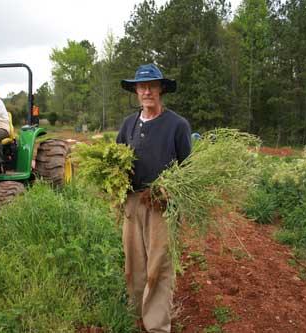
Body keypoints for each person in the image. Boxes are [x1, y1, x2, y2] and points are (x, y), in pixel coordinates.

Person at [116, 64, 192, 333]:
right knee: (133, 262)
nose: (147, 91)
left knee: (159, 266)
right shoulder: (128, 124)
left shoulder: (177, 125)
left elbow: (189, 171)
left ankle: (157, 325)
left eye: (152, 86)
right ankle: (136, 314)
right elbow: (116, 163)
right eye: (142, 86)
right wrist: (115, 188)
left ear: (161, 89)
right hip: (132, 203)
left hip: (161, 205)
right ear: (136, 90)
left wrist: (169, 191)